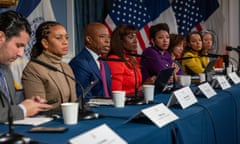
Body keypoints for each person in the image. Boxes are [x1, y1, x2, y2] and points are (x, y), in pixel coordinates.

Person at [0, 10, 52, 122]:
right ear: (1, 37)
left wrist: (31, 105)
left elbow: (7, 108)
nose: (21, 54)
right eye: (18, 45)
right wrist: (22, 109)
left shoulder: (5, 68)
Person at [22, 21, 77, 109]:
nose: (65, 42)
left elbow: (74, 101)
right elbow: (38, 108)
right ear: (45, 43)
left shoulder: (66, 67)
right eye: (59, 38)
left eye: (67, 38)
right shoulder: (33, 69)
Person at [69, 22, 111, 100]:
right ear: (89, 39)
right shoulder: (80, 63)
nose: (107, 41)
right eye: (102, 36)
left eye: (109, 37)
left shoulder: (103, 62)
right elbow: (84, 96)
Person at [107, 24, 143, 96]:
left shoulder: (130, 59)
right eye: (130, 37)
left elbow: (136, 88)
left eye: (136, 37)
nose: (135, 41)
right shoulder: (114, 60)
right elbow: (116, 93)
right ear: (120, 40)